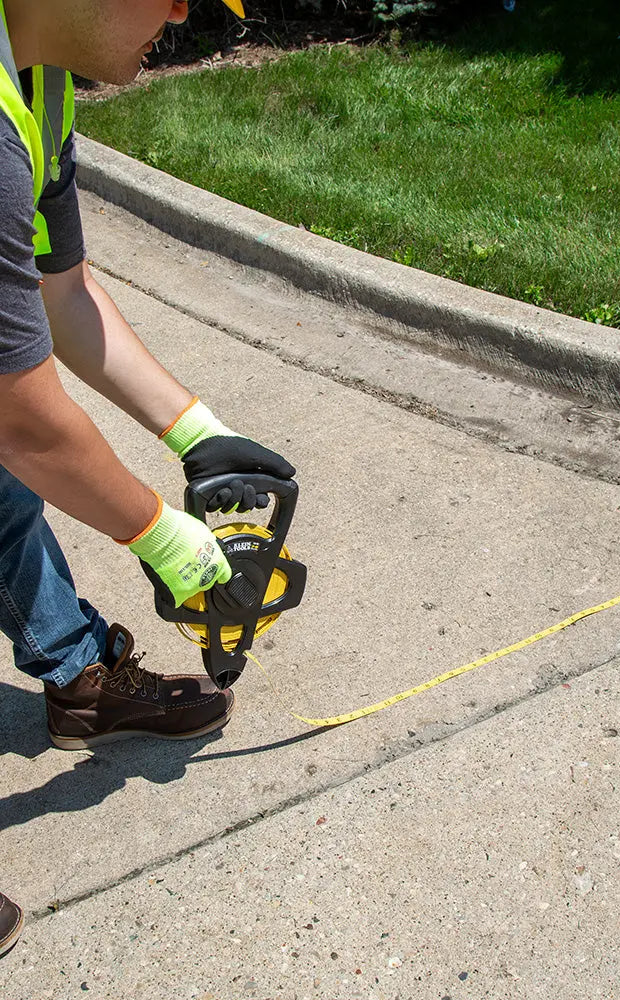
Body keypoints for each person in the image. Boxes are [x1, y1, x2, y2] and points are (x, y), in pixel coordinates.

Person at [0, 0, 285, 959]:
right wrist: (165, 537)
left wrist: (200, 434)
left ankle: (80, 679)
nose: (184, 10)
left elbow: (62, 293)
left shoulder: (35, 80)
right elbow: (22, 415)